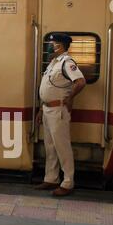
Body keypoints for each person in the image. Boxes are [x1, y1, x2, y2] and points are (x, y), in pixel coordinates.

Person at [36, 33, 87, 197]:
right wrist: (41, 109)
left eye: (53, 43)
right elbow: (48, 90)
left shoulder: (67, 62)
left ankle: (68, 182)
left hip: (58, 111)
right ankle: (51, 178)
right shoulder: (53, 63)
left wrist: (70, 97)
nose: (50, 46)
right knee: (50, 147)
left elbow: (80, 82)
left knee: (62, 147)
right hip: (47, 109)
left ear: (61, 45)